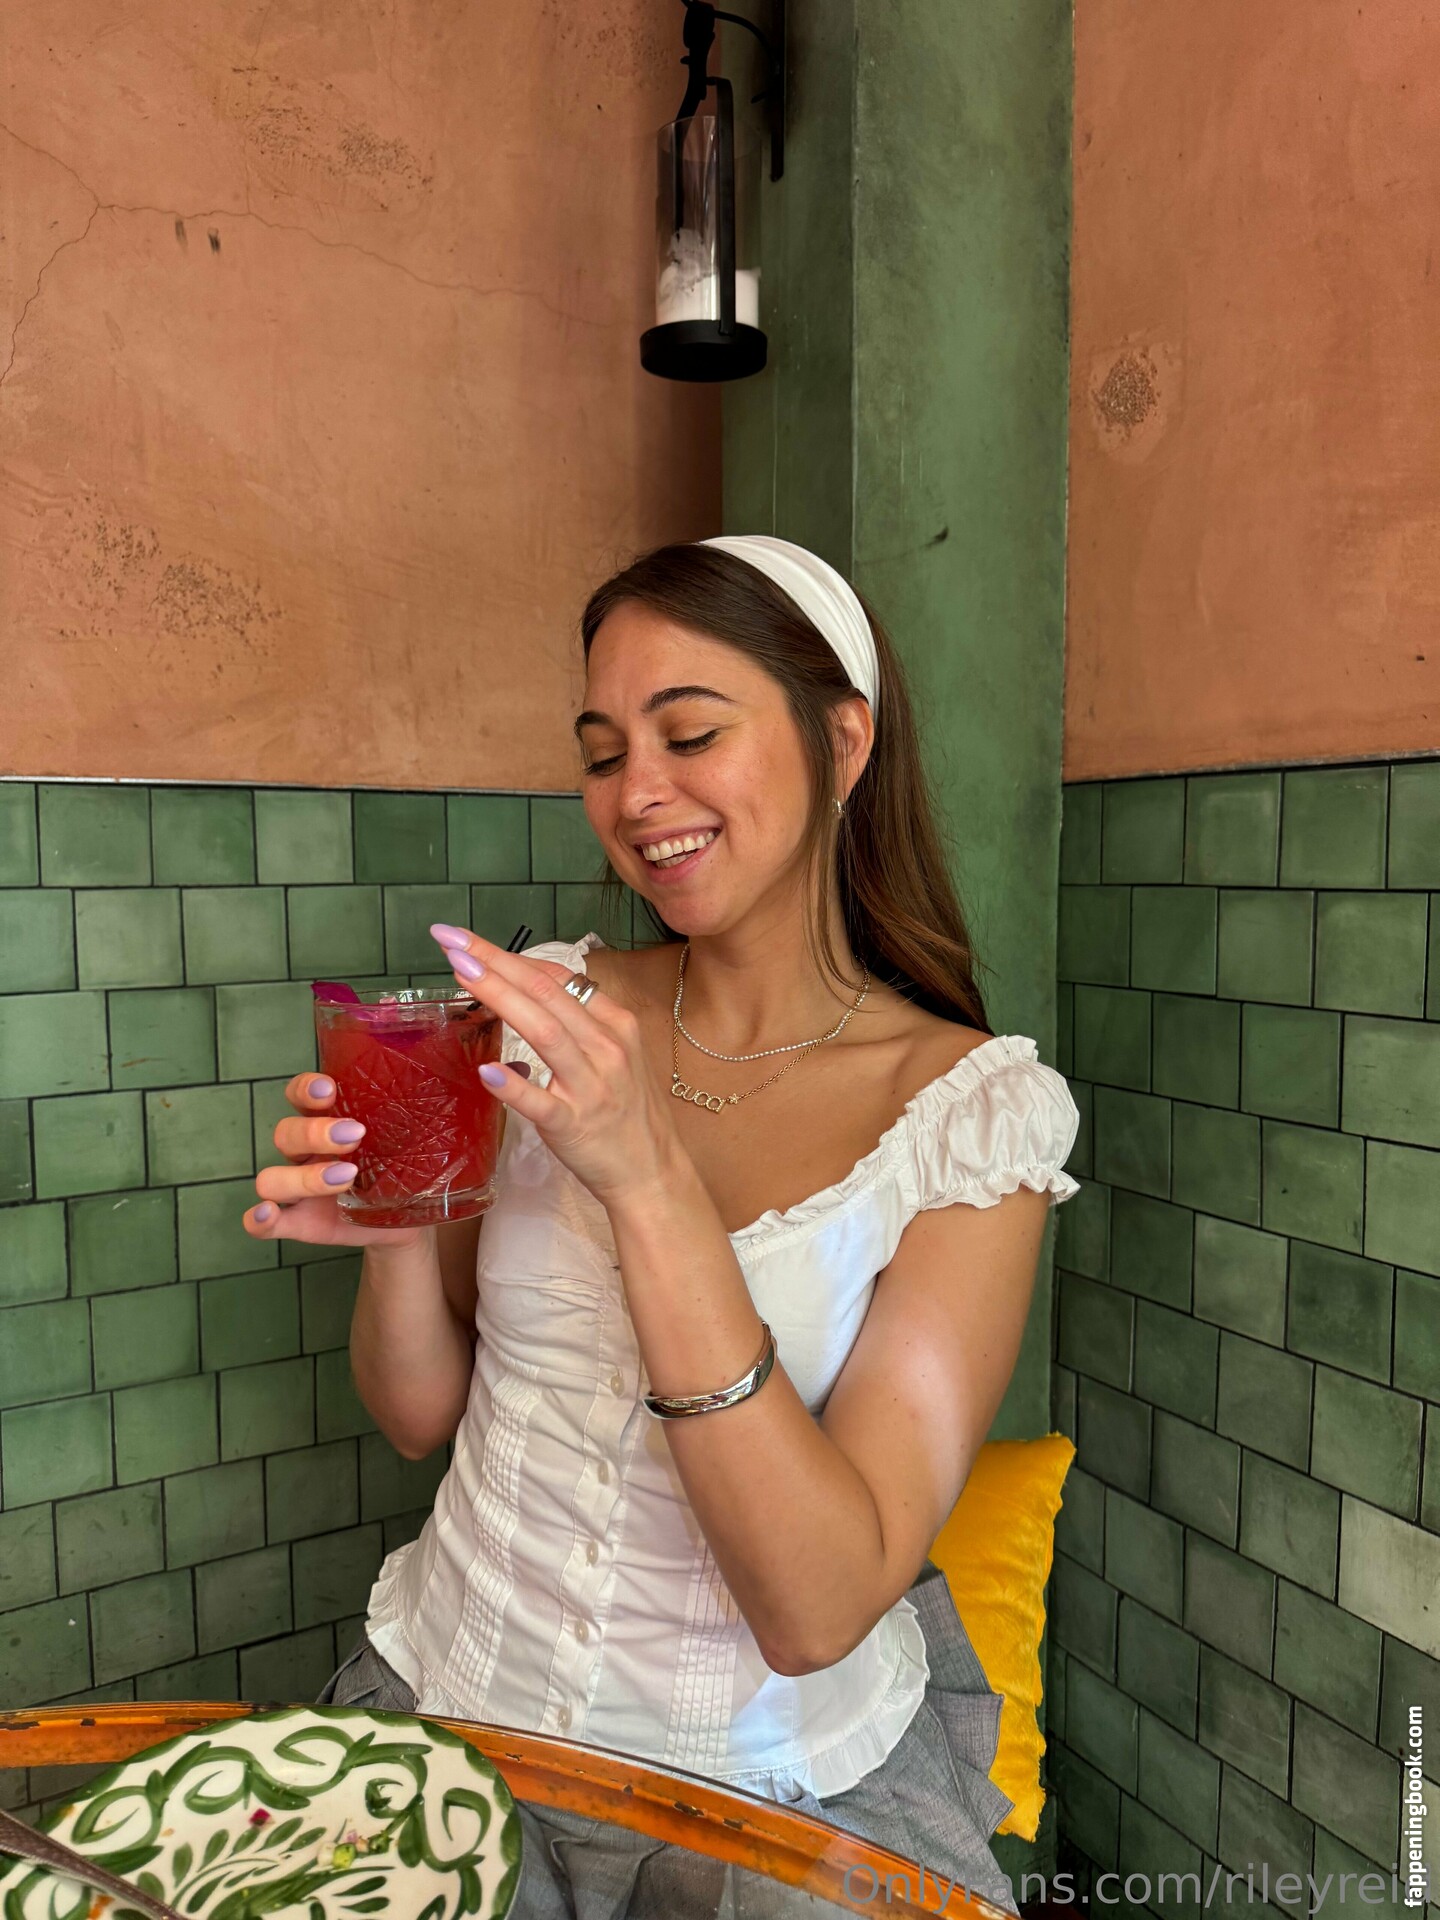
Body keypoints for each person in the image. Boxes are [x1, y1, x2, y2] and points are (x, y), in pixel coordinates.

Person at [241, 534, 1080, 1918]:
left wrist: (646, 1182)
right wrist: (393, 1222)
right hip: (449, 1723)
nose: (637, 795)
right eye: (601, 752)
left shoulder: (969, 1118)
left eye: (690, 735)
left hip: (768, 1806)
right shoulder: (548, 1011)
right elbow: (417, 1413)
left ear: (843, 741)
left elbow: (817, 1610)